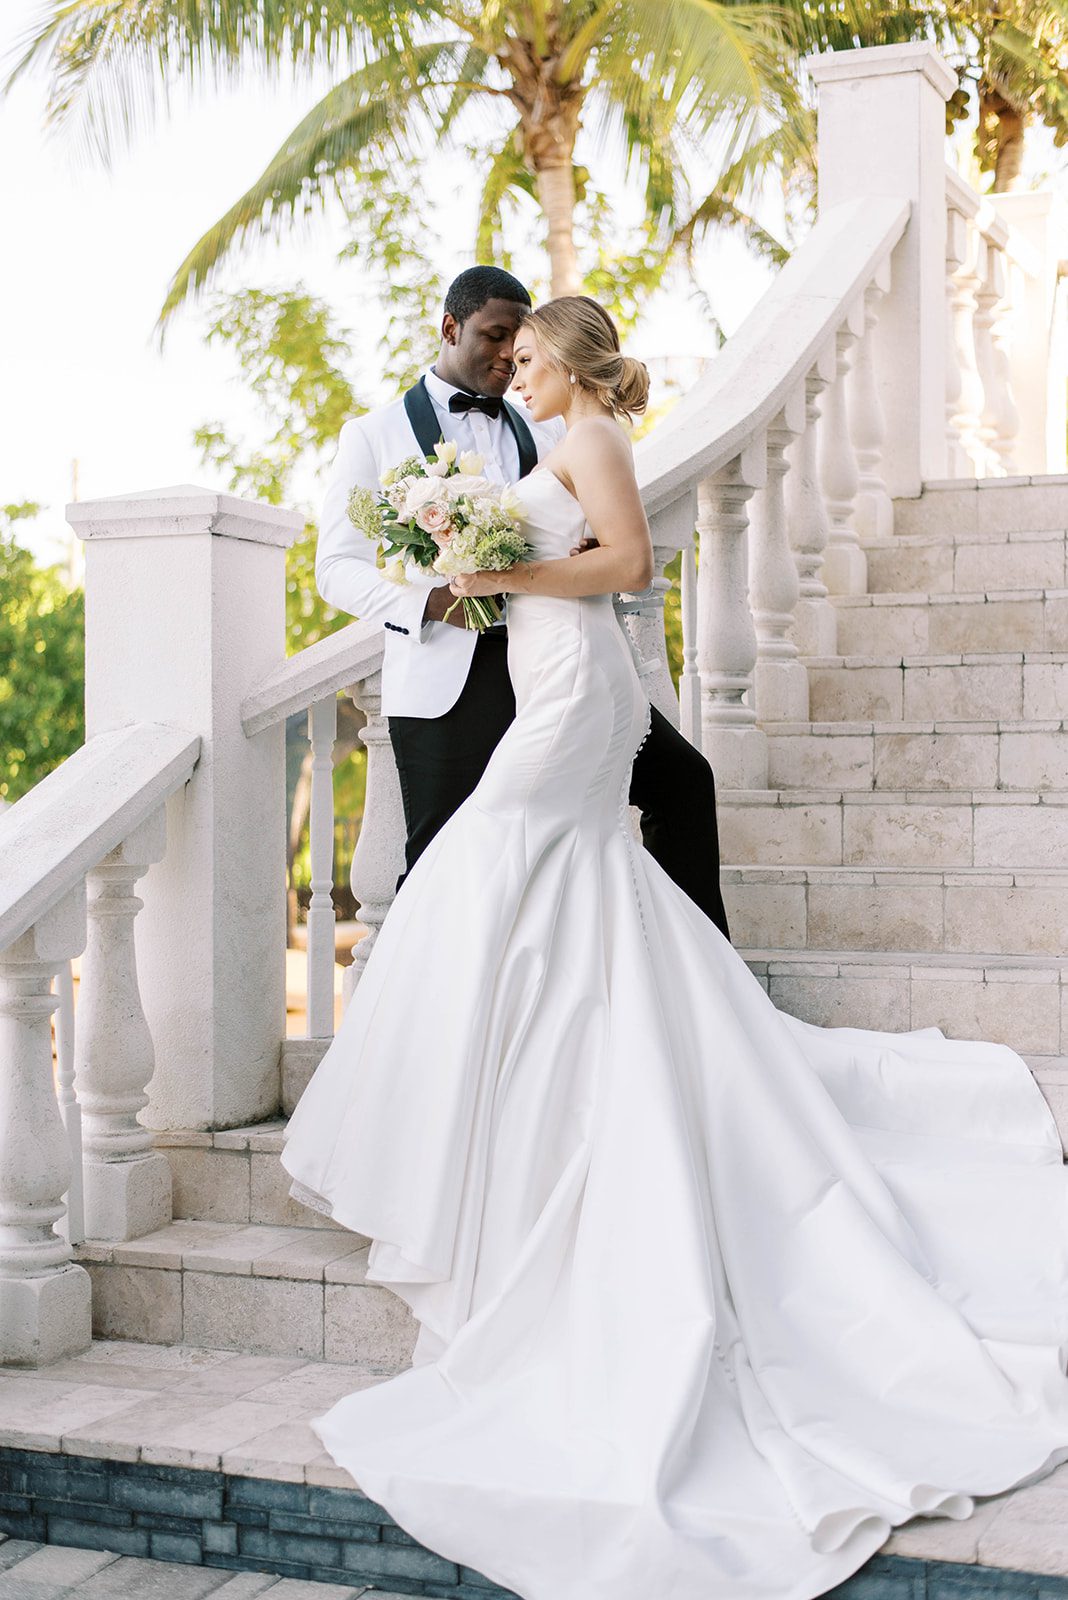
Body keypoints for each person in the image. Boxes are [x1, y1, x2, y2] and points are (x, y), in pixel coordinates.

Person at [283, 296, 1068, 1600]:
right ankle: (536, 1113)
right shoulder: (543, 444)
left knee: (488, 875)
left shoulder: (588, 435)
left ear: (572, 363)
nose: (516, 366)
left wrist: (500, 570)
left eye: (531, 353)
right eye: (510, 353)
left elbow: (630, 564)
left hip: (577, 691)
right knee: (543, 900)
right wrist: (467, 567)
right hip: (544, 673)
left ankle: (495, 1135)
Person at [315, 263, 729, 934]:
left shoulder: (549, 419)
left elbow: (593, 520)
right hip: (449, 677)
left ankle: (698, 982)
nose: (510, 357)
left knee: (680, 785)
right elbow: (335, 566)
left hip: (557, 666)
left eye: (522, 343)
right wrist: (432, 603)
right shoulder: (374, 434)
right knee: (448, 860)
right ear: (451, 328)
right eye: (496, 335)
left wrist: (593, 549)